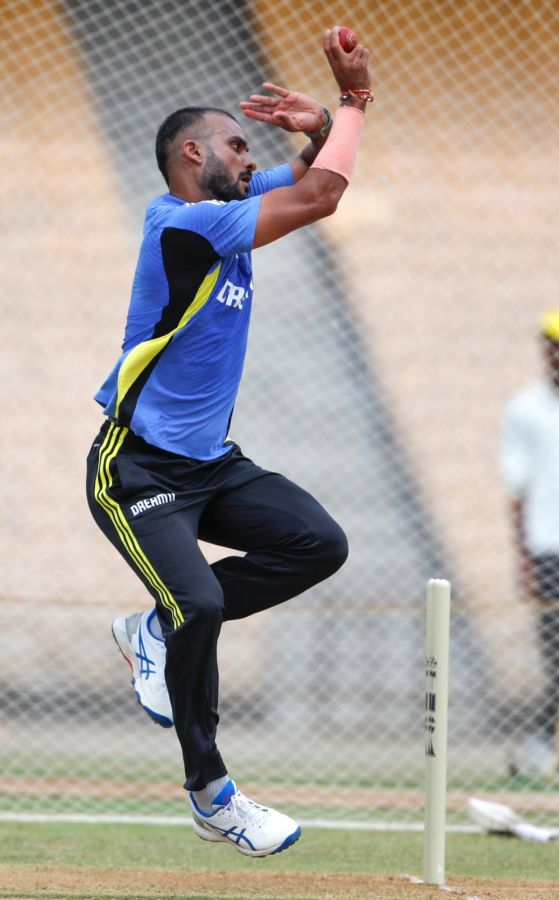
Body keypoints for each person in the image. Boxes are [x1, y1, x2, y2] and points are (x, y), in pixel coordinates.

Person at [86, 28, 372, 857]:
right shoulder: (186, 226)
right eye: (236, 146)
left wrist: (320, 127)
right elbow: (317, 199)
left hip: (211, 465)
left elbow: (323, 182)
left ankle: (151, 631)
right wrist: (353, 103)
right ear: (189, 153)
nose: (251, 157)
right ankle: (213, 796)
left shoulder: (226, 212)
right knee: (201, 605)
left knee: (316, 542)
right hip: (133, 467)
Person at [499, 307, 559, 770]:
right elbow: (516, 490)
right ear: (546, 348)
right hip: (550, 546)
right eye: (552, 344)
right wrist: (524, 559)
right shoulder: (524, 410)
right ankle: (550, 743)